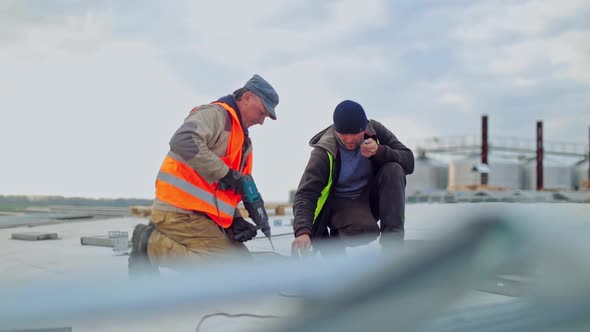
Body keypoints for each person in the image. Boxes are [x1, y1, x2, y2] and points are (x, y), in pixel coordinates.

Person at [129, 74, 279, 276]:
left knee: (245, 271)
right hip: (179, 211)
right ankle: (149, 244)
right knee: (224, 272)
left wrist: (235, 219)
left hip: (207, 217)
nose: (261, 121)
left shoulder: (243, 141)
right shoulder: (215, 115)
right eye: (261, 112)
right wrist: (225, 173)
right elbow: (183, 140)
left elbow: (230, 186)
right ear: (247, 97)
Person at [291, 100, 414, 256]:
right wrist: (303, 232)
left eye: (355, 134)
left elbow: (409, 162)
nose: (349, 140)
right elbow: (306, 193)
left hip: (368, 198)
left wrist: (380, 151)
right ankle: (336, 240)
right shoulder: (323, 151)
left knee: (394, 169)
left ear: (364, 128)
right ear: (336, 130)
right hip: (340, 204)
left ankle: (393, 249)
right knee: (364, 231)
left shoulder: (375, 131)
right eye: (343, 134)